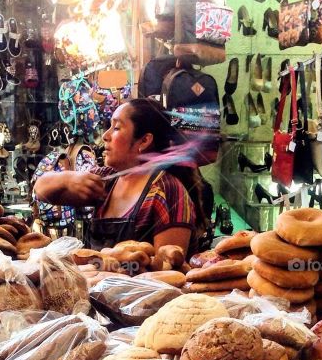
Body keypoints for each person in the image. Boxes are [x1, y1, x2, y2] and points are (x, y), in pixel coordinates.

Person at [32, 98, 208, 255]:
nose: (105, 136)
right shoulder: (108, 179)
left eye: (116, 128)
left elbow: (167, 273)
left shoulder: (166, 191)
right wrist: (68, 179)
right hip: (99, 286)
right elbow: (40, 190)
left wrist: (115, 267)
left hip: (139, 290)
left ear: (144, 141)